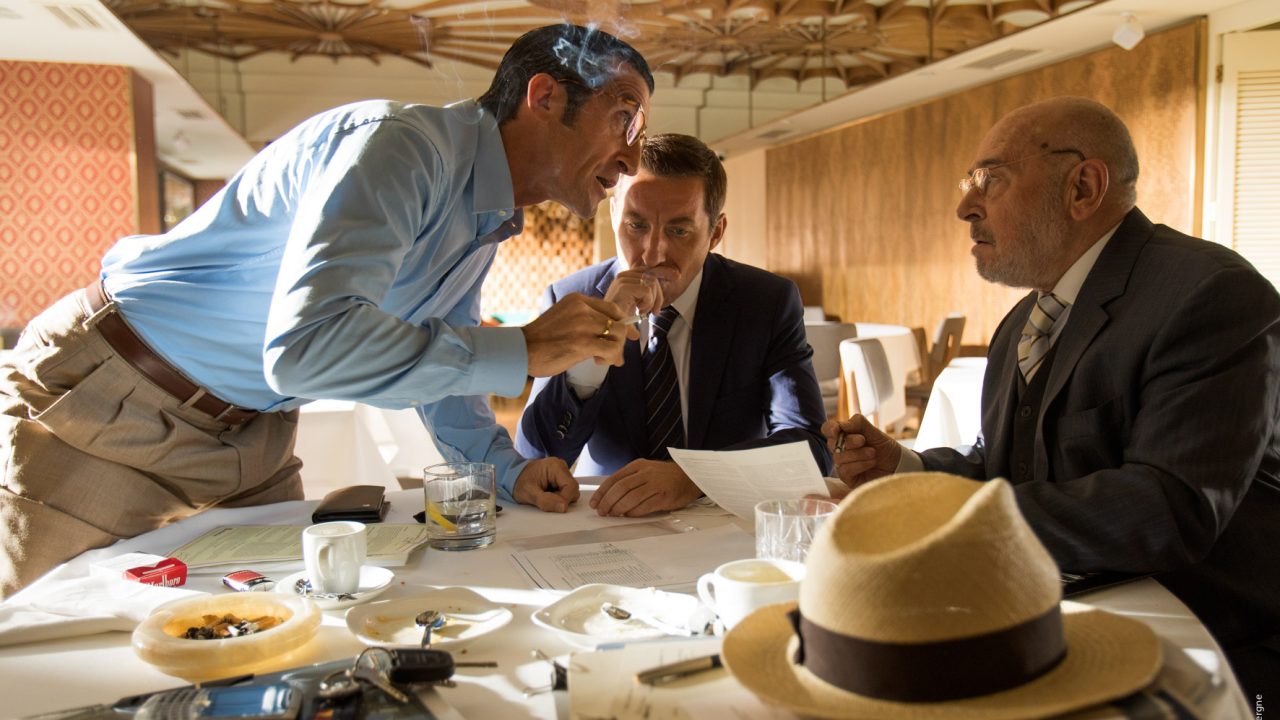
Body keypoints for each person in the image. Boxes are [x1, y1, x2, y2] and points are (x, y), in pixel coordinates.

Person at [0, 24, 656, 598]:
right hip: (113, 403)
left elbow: (445, 375)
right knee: (44, 643)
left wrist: (510, 471)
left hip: (252, 436)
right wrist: (523, 349)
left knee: (294, 623)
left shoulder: (487, 223)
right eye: (624, 120)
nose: (632, 157)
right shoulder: (403, 147)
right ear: (544, 96)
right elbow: (306, 349)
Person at [824, 96, 1280, 693]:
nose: (965, 207)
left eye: (991, 180)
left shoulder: (1210, 294)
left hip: (1205, 648)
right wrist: (905, 470)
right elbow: (1009, 466)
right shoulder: (1022, 321)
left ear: (1082, 188)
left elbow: (1170, 507)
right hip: (1059, 620)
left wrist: (941, 518)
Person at [515, 133, 832, 517]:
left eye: (679, 231)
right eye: (636, 225)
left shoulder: (766, 303)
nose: (653, 254)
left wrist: (695, 478)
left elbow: (809, 448)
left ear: (715, 233)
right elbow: (535, 457)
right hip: (607, 519)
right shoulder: (572, 299)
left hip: (721, 522)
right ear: (614, 215)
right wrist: (598, 339)